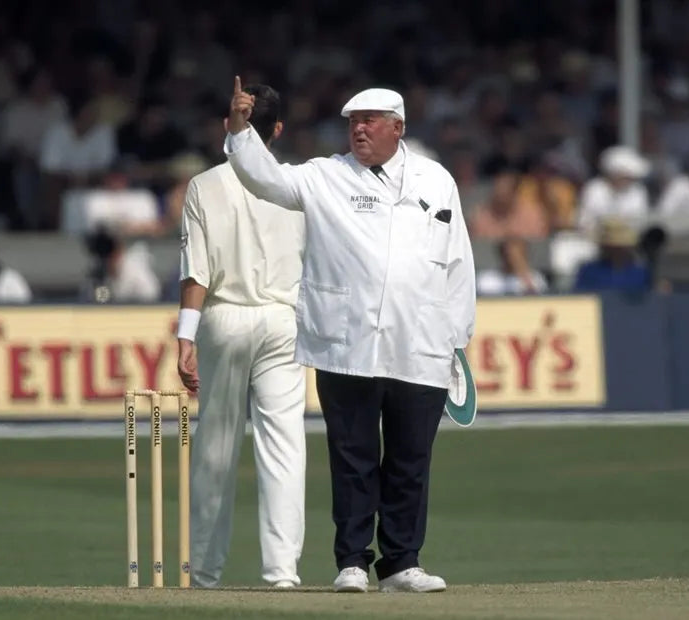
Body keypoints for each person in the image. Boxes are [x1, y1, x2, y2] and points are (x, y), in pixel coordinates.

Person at [225, 78, 476, 593]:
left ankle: (403, 562)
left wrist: (458, 340)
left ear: (397, 127)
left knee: (410, 460)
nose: (358, 129)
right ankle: (353, 563)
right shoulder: (324, 176)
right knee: (353, 458)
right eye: (352, 121)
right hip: (347, 343)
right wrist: (241, 128)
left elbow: (459, 262)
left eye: (369, 120)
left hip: (420, 340)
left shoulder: (435, 179)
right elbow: (264, 179)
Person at [176, 84, 306, 589]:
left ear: (227, 127)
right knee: (285, 447)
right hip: (283, 320)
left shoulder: (204, 186)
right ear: (277, 131)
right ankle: (282, 572)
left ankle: (205, 571)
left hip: (226, 318)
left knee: (216, 447)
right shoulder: (297, 183)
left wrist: (185, 336)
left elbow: (196, 273)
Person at [573, 217, 651, 293]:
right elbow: (581, 298)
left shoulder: (640, 273)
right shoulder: (589, 271)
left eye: (620, 246)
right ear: (604, 247)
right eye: (612, 246)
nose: (617, 251)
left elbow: (648, 300)